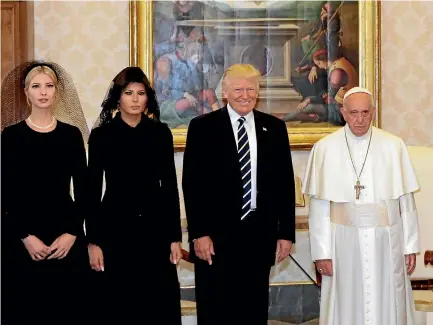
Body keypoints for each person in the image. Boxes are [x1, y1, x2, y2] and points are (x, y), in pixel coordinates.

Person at [182, 63, 297, 325]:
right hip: (214, 237)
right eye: (238, 89)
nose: (245, 95)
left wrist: (285, 233)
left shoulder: (275, 129)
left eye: (251, 89)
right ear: (224, 92)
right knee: (215, 310)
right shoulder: (202, 127)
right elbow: (192, 184)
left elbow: (284, 185)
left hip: (259, 235)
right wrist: (199, 232)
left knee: (253, 310)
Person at [302, 86, 420, 325]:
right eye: (353, 113)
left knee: (387, 301)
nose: (360, 119)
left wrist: (410, 246)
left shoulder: (393, 145)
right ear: (343, 112)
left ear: (373, 112)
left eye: (365, 112)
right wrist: (321, 253)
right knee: (347, 302)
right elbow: (319, 208)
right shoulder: (325, 148)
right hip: (343, 243)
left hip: (387, 241)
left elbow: (406, 202)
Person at [86, 67, 183, 323]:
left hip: (156, 230)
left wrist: (174, 237)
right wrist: (93, 242)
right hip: (114, 229)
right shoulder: (101, 136)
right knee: (117, 305)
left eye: (141, 93)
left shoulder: (160, 133)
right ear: (118, 97)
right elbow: (92, 191)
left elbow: (170, 187)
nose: (136, 99)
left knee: (157, 305)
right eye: (129, 93)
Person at [1, 60, 90, 324]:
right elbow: (5, 194)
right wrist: (25, 236)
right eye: (36, 86)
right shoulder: (10, 136)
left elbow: (85, 191)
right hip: (22, 240)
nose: (43, 92)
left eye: (49, 86)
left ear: (57, 91)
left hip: (64, 238)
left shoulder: (71, 136)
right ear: (26, 92)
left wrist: (72, 234)